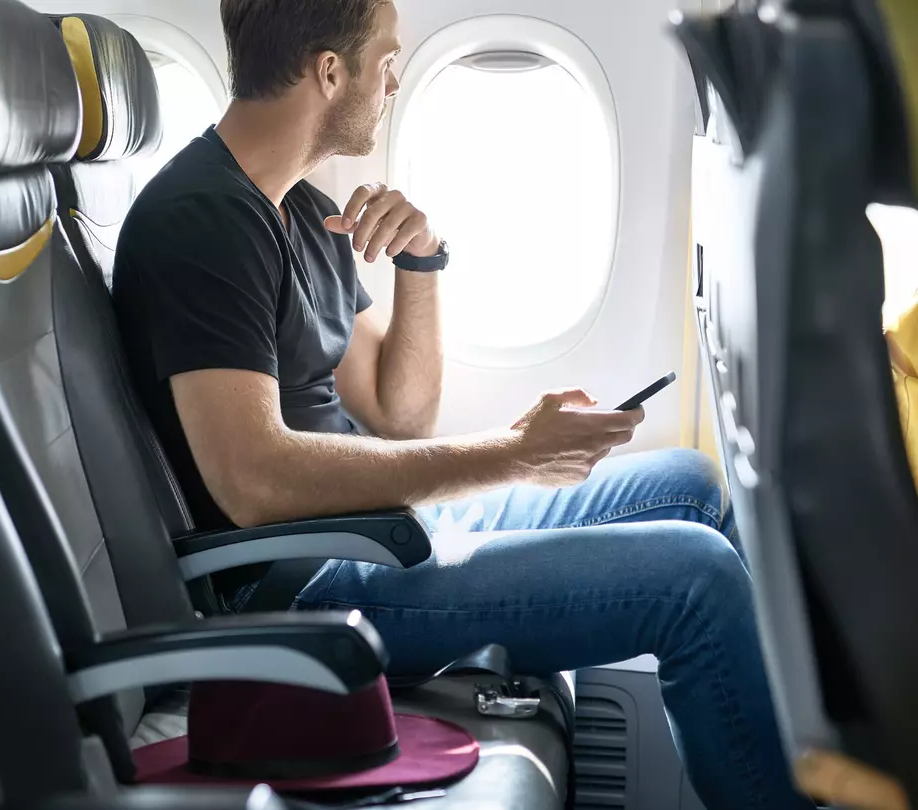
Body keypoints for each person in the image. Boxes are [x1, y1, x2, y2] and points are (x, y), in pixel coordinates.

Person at [110, 0, 815, 806]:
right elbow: (253, 479)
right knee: (699, 582)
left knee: (690, 482)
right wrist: (515, 453)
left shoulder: (297, 207)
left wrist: (421, 262)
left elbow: (397, 410)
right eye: (387, 58)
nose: (394, 78)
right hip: (307, 582)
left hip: (376, 530)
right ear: (330, 72)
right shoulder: (204, 222)